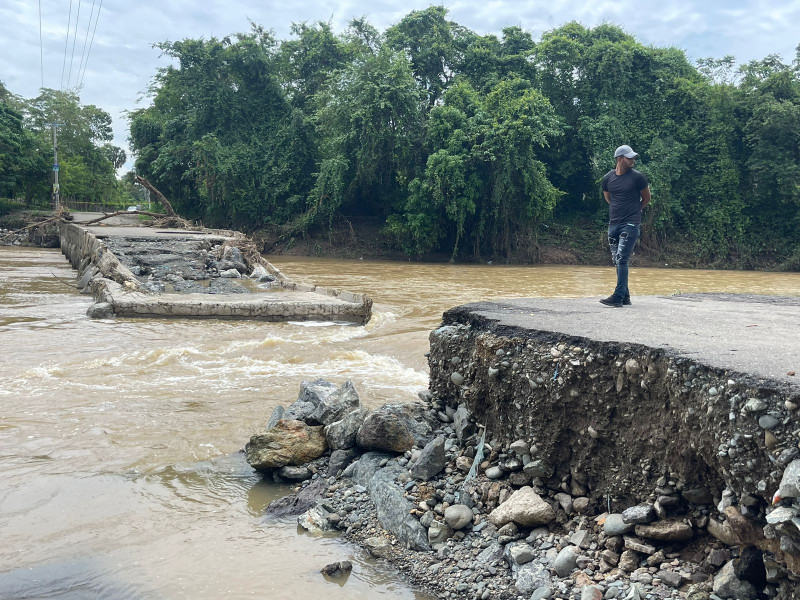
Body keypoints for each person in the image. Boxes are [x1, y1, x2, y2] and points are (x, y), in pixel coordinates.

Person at [599, 144, 651, 307]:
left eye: (633, 157)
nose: (633, 160)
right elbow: (608, 198)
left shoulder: (637, 177)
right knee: (617, 260)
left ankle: (618, 296)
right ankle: (626, 296)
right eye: (629, 157)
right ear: (620, 159)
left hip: (630, 224)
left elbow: (646, 198)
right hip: (613, 223)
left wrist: (635, 211)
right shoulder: (608, 178)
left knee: (622, 259)